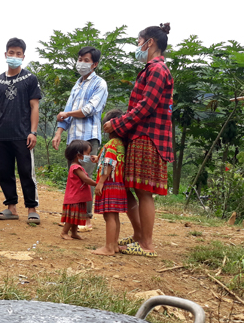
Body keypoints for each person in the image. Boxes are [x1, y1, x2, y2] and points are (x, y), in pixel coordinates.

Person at [104, 23, 174, 257]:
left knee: (144, 191)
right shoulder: (153, 69)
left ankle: (147, 243)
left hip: (148, 137)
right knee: (132, 187)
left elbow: (145, 107)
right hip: (142, 135)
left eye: (138, 42)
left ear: (149, 42)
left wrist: (117, 124)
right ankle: (139, 236)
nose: (137, 47)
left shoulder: (157, 70)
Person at [52, 46, 108, 231]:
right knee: (74, 179)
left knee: (86, 177)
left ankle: (87, 219)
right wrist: (59, 132)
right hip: (73, 141)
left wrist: (66, 113)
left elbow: (88, 110)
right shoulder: (77, 84)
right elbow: (66, 113)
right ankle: (72, 219)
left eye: (86, 60)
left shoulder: (99, 84)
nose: (81, 63)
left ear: (95, 64)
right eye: (80, 59)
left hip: (88, 141)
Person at [0, 38, 43, 224]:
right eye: (11, 53)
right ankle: (11, 207)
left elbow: (34, 106)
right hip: (2, 135)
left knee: (26, 171)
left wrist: (33, 132)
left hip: (23, 134)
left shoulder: (30, 79)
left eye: (18, 54)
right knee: (5, 172)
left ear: (23, 56)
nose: (14, 56)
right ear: (5, 54)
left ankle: (32, 208)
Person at [91, 109, 128, 256]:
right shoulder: (120, 144)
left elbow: (108, 164)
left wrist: (100, 183)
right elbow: (107, 159)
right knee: (114, 216)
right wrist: (97, 158)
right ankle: (114, 245)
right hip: (118, 184)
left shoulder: (111, 144)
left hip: (109, 184)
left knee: (109, 216)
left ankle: (109, 248)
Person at [61, 140, 97, 240]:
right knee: (71, 217)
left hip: (78, 197)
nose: (88, 156)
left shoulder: (77, 166)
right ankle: (64, 232)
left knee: (76, 216)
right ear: (79, 155)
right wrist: (97, 184)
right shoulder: (76, 167)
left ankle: (74, 233)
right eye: (87, 153)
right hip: (74, 197)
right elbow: (85, 179)